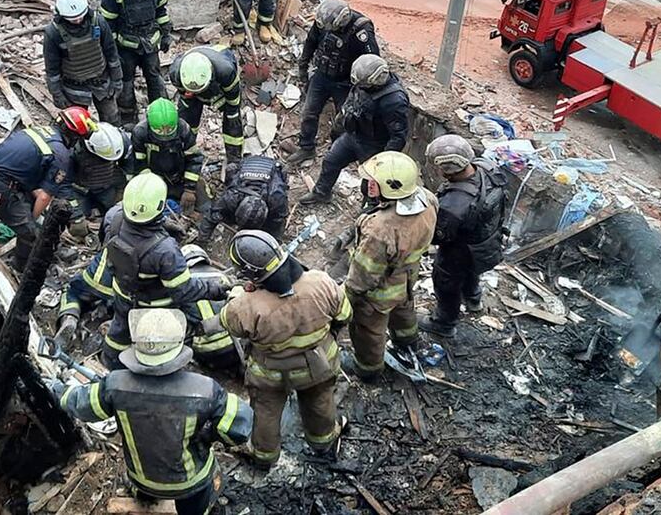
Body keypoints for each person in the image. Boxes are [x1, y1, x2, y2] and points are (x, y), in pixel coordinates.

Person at [55, 308, 253, 515]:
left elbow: (79, 405)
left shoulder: (114, 385)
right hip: (188, 484)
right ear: (179, 346)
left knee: (146, 480)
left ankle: (145, 496)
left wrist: (57, 389)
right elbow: (238, 428)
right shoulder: (205, 390)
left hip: (142, 478)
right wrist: (208, 436)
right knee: (199, 497)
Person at [207, 230, 350, 468]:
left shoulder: (245, 306)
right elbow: (344, 314)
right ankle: (323, 443)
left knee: (266, 412)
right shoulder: (322, 282)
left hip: (271, 376)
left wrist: (238, 295)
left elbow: (227, 324)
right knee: (320, 401)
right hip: (319, 365)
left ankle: (264, 456)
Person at [100, 174, 227, 368]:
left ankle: (110, 363)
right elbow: (183, 290)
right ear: (160, 206)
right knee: (163, 339)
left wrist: (162, 226)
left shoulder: (113, 217)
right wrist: (213, 289)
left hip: (122, 292)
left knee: (120, 330)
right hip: (156, 306)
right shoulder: (165, 251)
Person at [341, 152, 437, 381]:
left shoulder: (381, 229)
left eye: (374, 182)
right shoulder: (428, 199)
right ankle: (407, 339)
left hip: (380, 292)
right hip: (407, 276)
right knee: (404, 309)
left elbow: (364, 275)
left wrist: (348, 299)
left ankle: (368, 369)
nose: (368, 185)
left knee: (368, 330)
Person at [0, 107, 96, 268]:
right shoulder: (61, 154)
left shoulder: (38, 131)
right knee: (31, 235)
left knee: (29, 209)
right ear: (74, 135)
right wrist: (32, 220)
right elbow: (45, 196)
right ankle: (20, 267)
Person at [419, 135, 508, 338]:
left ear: (447, 168)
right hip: (486, 242)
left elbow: (437, 237)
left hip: (460, 252)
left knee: (446, 282)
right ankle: (473, 299)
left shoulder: (455, 204)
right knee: (471, 272)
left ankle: (444, 323)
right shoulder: (487, 169)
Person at [301, 55, 410, 205]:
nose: (359, 87)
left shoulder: (394, 101)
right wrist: (337, 131)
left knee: (370, 186)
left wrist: (383, 164)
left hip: (375, 147)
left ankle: (368, 214)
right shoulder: (363, 83)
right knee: (331, 161)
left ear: (375, 81)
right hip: (353, 135)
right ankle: (321, 193)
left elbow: (398, 137)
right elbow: (349, 105)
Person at [289, 0, 380, 165]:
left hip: (345, 82)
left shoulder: (361, 31)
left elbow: (371, 60)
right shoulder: (324, 21)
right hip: (322, 76)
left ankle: (336, 153)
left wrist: (361, 90)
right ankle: (306, 148)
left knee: (344, 120)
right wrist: (303, 66)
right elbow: (311, 41)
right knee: (309, 112)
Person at [99, 0, 171, 125]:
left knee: (155, 79)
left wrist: (166, 33)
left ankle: (160, 115)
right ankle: (128, 120)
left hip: (150, 42)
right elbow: (108, 25)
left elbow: (161, 10)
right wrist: (112, 51)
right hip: (126, 48)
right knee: (125, 84)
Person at [44, 0, 123, 125]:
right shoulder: (53, 33)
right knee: (77, 126)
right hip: (73, 88)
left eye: (80, 16)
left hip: (102, 82)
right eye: (73, 19)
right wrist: (57, 94)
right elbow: (52, 69)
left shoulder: (98, 22)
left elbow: (111, 53)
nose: (78, 20)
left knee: (112, 119)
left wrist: (117, 79)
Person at [130, 99, 207, 214]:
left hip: (180, 177)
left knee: (205, 207)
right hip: (155, 178)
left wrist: (189, 189)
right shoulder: (140, 132)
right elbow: (139, 163)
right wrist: (153, 185)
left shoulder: (183, 129)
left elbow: (194, 159)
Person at [169, 45, 244, 162]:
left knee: (232, 122)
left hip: (219, 79)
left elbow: (233, 96)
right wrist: (189, 100)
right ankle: (184, 152)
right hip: (191, 92)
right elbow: (184, 94)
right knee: (186, 120)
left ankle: (234, 158)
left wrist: (232, 112)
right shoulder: (176, 73)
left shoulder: (226, 71)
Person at [197, 155, 289, 242]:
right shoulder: (232, 197)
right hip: (247, 163)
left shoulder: (277, 199)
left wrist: (272, 242)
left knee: (283, 173)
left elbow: (279, 221)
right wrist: (202, 240)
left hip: (272, 167)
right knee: (231, 169)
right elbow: (212, 215)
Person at [71, 122, 130, 223]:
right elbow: (64, 184)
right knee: (77, 220)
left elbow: (128, 166)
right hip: (79, 189)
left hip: (107, 185)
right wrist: (77, 216)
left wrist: (123, 188)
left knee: (117, 213)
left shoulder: (122, 142)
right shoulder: (74, 150)